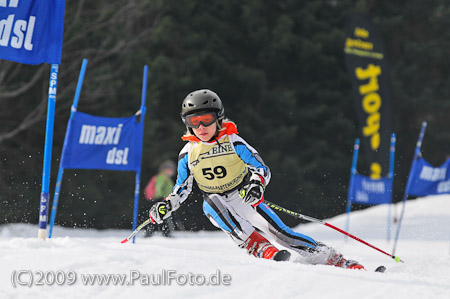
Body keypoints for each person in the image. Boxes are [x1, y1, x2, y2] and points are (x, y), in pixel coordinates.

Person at [149, 89, 364, 269]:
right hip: (217, 204)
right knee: (211, 201)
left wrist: (255, 184)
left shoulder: (232, 140)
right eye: (194, 121)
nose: (201, 127)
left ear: (219, 118)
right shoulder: (187, 153)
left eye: (207, 119)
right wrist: (167, 205)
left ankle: (336, 260)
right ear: (187, 124)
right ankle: (259, 247)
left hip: (244, 196)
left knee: (282, 235)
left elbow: (261, 168)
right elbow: (182, 187)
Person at [144, 160, 182, 237]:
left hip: (163, 199)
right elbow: (159, 188)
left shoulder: (166, 177)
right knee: (160, 216)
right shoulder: (162, 177)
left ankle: (160, 232)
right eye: (170, 169)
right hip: (160, 199)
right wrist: (162, 198)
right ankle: (155, 232)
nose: (172, 171)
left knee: (162, 216)